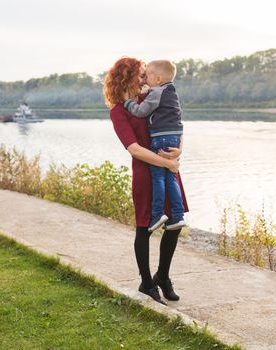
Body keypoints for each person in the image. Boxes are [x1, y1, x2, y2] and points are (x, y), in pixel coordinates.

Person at [104, 57, 189, 305]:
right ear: (127, 78)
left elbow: (177, 123)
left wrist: (179, 150)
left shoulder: (153, 96)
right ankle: (146, 283)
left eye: (145, 74)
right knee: (144, 228)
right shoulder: (119, 111)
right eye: (140, 74)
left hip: (169, 165)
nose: (144, 78)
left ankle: (162, 276)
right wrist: (168, 163)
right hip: (146, 172)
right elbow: (134, 149)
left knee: (175, 223)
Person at [123, 60, 185, 233]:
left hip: (160, 139)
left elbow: (141, 111)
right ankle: (177, 215)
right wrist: (178, 146)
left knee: (158, 177)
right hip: (173, 137)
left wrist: (127, 102)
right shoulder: (171, 92)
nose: (145, 80)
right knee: (171, 179)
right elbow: (178, 122)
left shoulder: (155, 93)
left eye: (147, 75)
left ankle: (157, 214)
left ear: (157, 79)